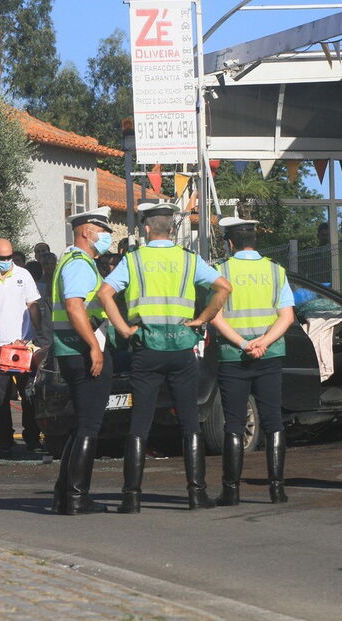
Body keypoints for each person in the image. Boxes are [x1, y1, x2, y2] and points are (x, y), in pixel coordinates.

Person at [97, 203, 232, 512]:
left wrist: (124, 329)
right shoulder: (189, 259)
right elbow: (224, 287)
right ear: (171, 229)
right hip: (182, 349)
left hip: (147, 349)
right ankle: (196, 493)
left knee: (140, 422)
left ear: (147, 228)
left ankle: (131, 497)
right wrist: (202, 319)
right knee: (189, 422)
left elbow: (105, 293)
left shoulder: (134, 260)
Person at [210, 217, 296, 505]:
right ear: (255, 240)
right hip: (269, 355)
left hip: (233, 356)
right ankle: (277, 489)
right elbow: (287, 316)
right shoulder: (275, 271)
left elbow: (215, 317)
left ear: (229, 242)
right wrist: (264, 342)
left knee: (234, 423)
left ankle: (231, 491)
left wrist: (244, 344)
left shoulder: (220, 271)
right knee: (273, 421)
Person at [51, 207, 116, 514]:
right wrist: (94, 347)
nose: (106, 238)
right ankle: (77, 497)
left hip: (73, 350)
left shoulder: (76, 261)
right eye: (102, 232)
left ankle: (64, 495)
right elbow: (74, 306)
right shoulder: (78, 263)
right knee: (89, 425)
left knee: (80, 425)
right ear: (86, 232)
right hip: (82, 351)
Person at [0, 238, 43, 453]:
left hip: (22, 345)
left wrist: (37, 334)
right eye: (1, 258)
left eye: (9, 257)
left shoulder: (23, 275)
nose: (6, 261)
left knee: (29, 396)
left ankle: (32, 438)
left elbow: (32, 304)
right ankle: (5, 440)